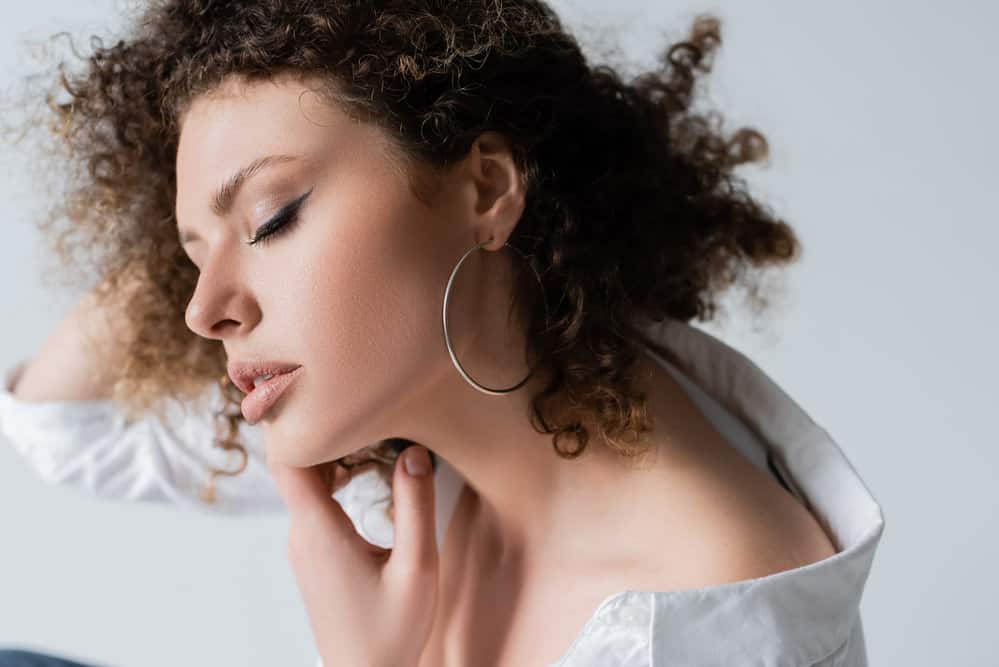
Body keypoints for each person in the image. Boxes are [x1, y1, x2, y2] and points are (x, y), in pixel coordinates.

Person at [0, 2, 886, 666]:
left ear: (486, 189)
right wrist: (210, 204)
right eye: (187, 264)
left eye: (275, 219)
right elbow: (60, 424)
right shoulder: (429, 423)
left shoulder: (702, 622)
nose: (202, 312)